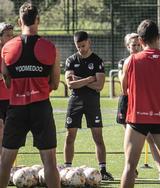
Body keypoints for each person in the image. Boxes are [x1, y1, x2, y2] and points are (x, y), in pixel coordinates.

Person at [0, 2, 61, 188]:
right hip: (41, 106)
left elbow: (6, 81)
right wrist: (40, 87)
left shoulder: (7, 48)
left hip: (16, 108)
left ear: (19, 21)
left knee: (5, 161)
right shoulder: (50, 47)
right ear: (38, 20)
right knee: (49, 161)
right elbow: (56, 83)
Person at [120, 19, 160, 188]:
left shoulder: (131, 61)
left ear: (140, 40)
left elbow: (124, 89)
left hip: (137, 119)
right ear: (158, 37)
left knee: (130, 166)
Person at [63, 31, 114, 181]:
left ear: (89, 42)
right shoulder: (71, 60)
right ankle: (67, 169)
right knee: (70, 136)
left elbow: (99, 85)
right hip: (75, 102)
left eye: (83, 46)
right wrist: (89, 79)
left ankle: (103, 170)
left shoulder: (97, 60)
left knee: (98, 137)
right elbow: (70, 84)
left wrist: (81, 80)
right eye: (78, 47)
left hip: (92, 103)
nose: (81, 49)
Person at [117, 33, 160, 180]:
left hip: (143, 101)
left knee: (151, 138)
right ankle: (132, 170)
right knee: (131, 140)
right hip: (128, 103)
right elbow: (123, 86)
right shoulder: (125, 62)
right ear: (128, 47)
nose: (136, 47)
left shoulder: (145, 60)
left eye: (138, 44)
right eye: (133, 45)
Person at [0, 22, 13, 159]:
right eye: (7, 35)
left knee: (10, 132)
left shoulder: (14, 51)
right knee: (0, 129)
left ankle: (7, 163)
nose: (11, 38)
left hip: (11, 98)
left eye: (12, 35)